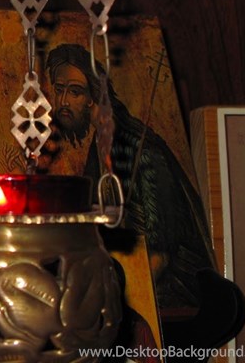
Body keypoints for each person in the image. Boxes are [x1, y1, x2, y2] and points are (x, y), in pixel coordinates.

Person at [42, 43, 215, 308]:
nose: (63, 101)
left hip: (173, 288)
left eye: (75, 91)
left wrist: (116, 302)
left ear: (93, 96)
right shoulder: (101, 143)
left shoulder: (140, 148)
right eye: (59, 89)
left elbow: (161, 251)